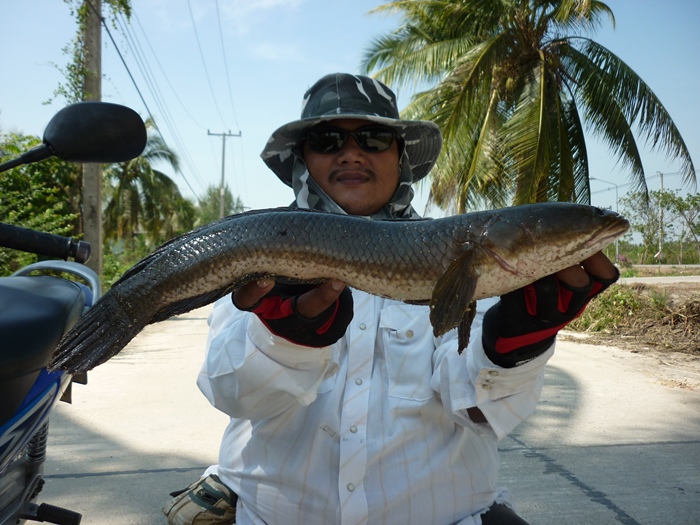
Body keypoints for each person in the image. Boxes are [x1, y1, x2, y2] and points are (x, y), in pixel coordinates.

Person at [162, 73, 618, 525]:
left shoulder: (461, 254)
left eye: (375, 138)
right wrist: (286, 337)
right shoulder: (264, 260)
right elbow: (233, 395)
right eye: (326, 140)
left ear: (401, 158)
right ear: (302, 159)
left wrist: (515, 343)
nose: (351, 153)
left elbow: (478, 412)